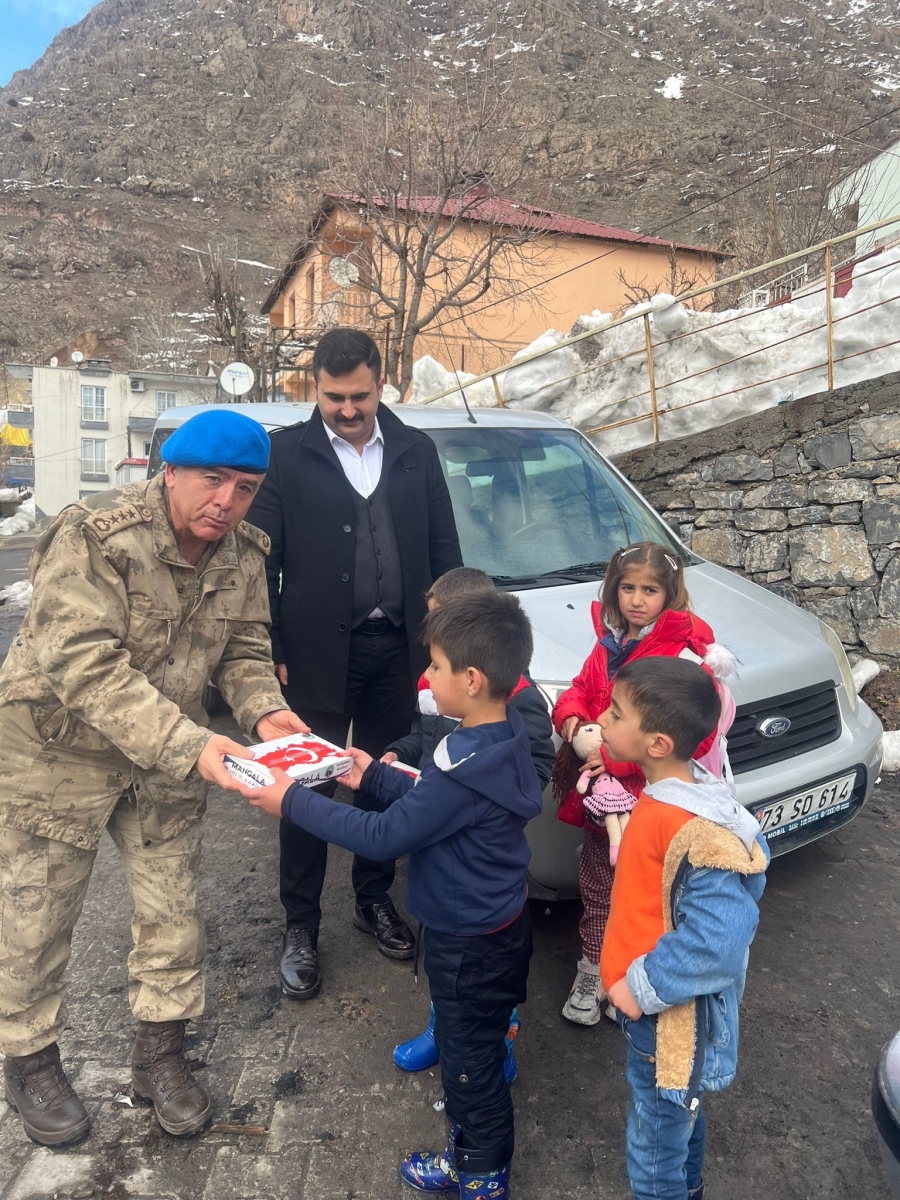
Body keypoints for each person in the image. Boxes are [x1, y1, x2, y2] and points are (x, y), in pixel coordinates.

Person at [0, 409, 308, 1147]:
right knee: (36, 917)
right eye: (211, 481)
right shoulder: (94, 536)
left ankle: (159, 1056)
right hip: (56, 749)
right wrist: (195, 744)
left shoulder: (243, 553)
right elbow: (83, 663)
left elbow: (243, 647)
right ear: (169, 471)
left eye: (245, 488)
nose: (225, 504)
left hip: (165, 752)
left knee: (173, 908)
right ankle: (29, 1060)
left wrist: (267, 714)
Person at [231, 590, 543, 1199]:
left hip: (466, 944)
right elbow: (434, 805)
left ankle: (480, 1173)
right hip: (497, 925)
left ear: (472, 679)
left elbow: (384, 833)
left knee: (467, 1069)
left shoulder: (465, 765)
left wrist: (290, 800)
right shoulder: (499, 738)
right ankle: (479, 1122)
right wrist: (369, 773)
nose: (425, 675)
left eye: (434, 665)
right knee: (473, 1048)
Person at [248, 328, 462, 999]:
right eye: (335, 396)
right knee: (307, 785)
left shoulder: (415, 452)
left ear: (381, 383)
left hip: (399, 653)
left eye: (359, 396)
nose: (347, 409)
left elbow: (444, 551)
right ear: (316, 387)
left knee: (383, 780)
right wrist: (273, 650)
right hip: (311, 658)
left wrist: (447, 646)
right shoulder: (285, 454)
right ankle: (301, 925)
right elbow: (260, 564)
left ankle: (373, 899)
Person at [598, 657, 768, 1200]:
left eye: (616, 713)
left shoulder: (691, 824)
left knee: (654, 1148)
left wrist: (638, 987)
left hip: (667, 1018)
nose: (602, 718)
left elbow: (718, 939)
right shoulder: (694, 792)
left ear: (656, 744)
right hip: (654, 1008)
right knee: (678, 1119)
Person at [551, 542, 736, 1026]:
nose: (636, 599)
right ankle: (593, 970)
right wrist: (573, 725)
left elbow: (693, 738)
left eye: (649, 590)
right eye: (627, 588)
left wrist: (619, 758)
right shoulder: (610, 642)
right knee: (597, 887)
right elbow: (579, 689)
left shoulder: (681, 657)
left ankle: (633, 979)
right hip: (603, 802)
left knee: (648, 898)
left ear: (670, 595)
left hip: (652, 804)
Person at [384, 566, 554, 1081]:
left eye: (444, 628)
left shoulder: (519, 698)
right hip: (441, 838)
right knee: (443, 952)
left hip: (476, 848)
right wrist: (398, 753)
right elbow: (428, 738)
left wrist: (472, 793)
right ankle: (444, 1024)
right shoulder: (438, 683)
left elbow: (537, 764)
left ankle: (498, 1037)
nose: (434, 643)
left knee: (482, 973)